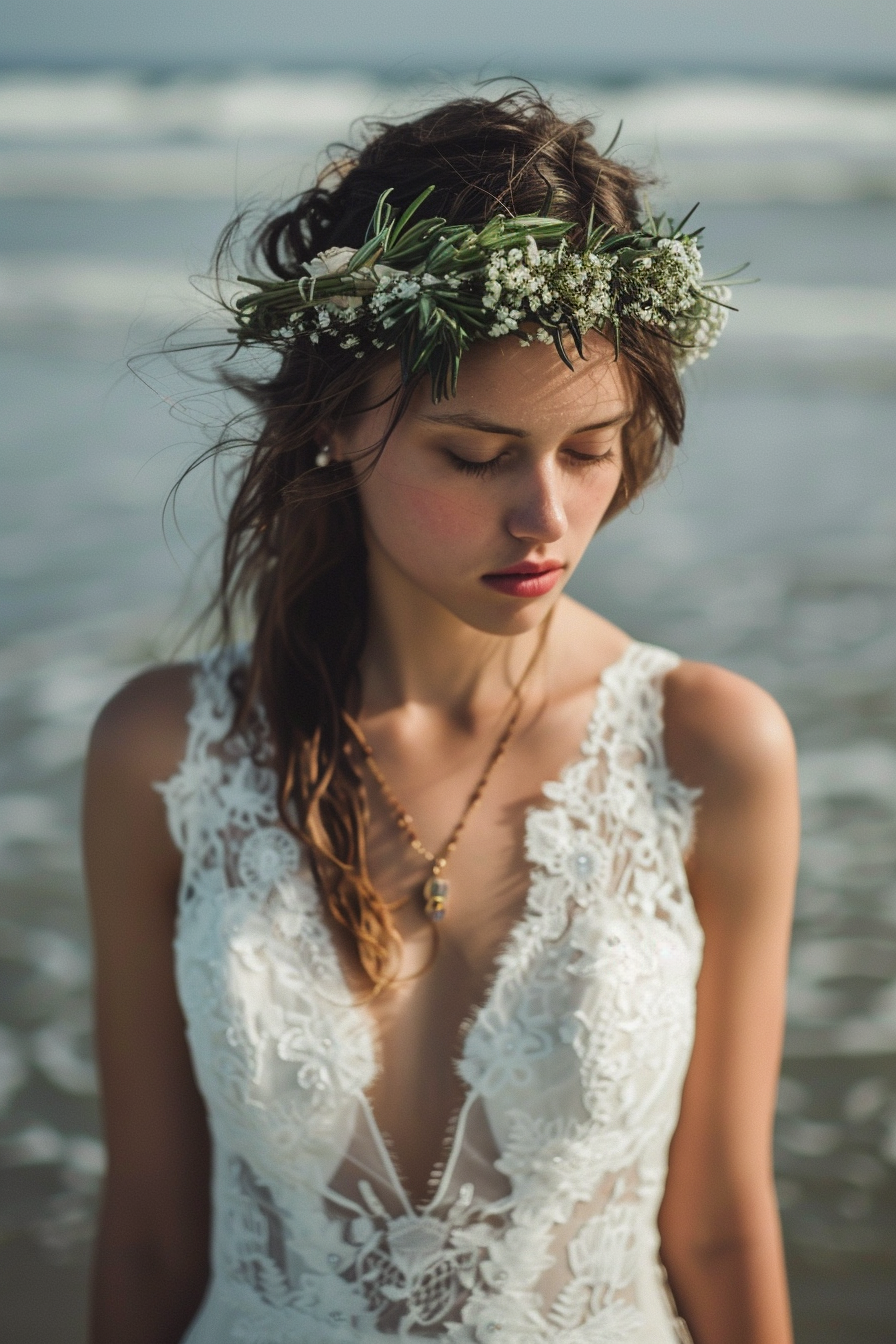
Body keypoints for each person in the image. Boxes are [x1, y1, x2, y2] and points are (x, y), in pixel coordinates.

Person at [83, 90, 799, 1344]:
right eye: (474, 456)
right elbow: (147, 1231)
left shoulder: (708, 749)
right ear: (331, 431)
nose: (546, 518)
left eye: (589, 449)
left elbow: (724, 1226)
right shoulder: (164, 751)